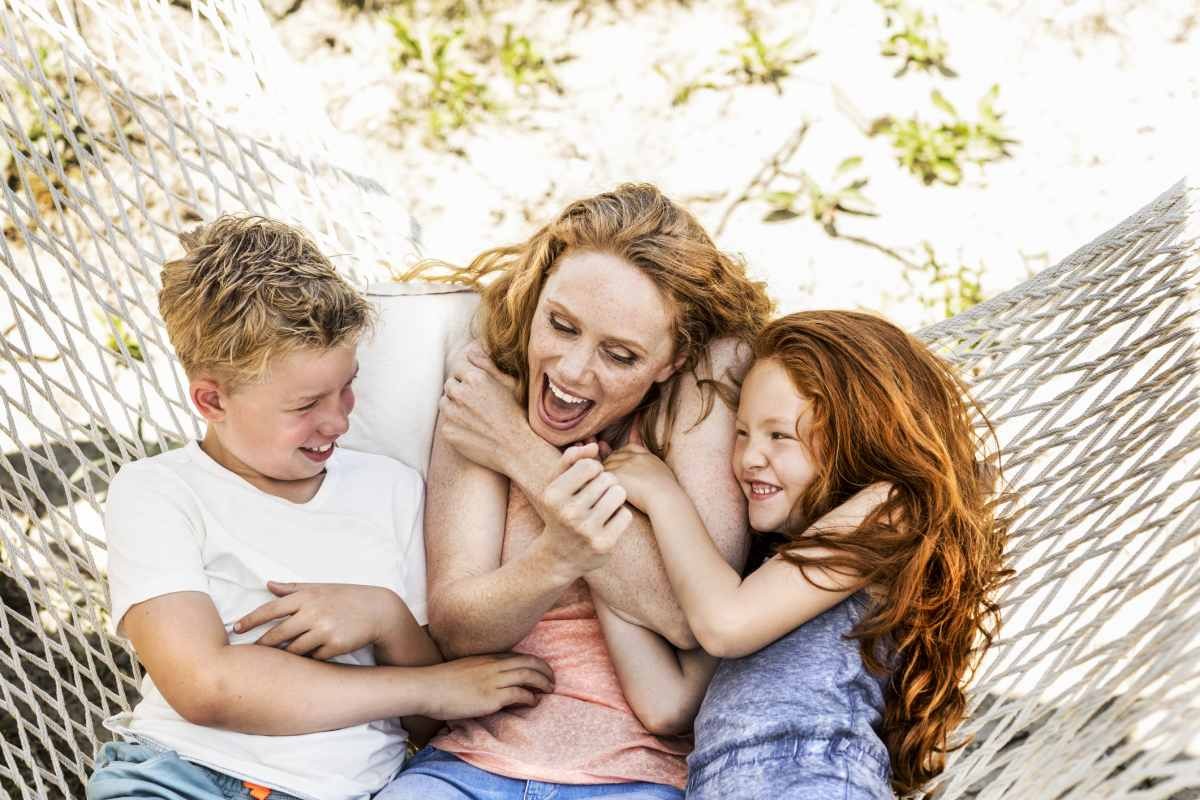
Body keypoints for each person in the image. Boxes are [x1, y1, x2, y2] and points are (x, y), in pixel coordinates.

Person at [89, 216, 553, 800]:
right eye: (306, 404)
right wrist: (427, 687)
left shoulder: (391, 489)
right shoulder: (156, 491)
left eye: (348, 386)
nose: (338, 420)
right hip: (180, 776)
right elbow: (204, 684)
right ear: (212, 399)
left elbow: (428, 725)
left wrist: (385, 617)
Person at [378, 183, 774, 798]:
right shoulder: (488, 389)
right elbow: (459, 629)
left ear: (671, 363)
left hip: (632, 777)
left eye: (619, 356)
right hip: (466, 767)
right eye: (561, 325)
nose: (569, 371)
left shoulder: (696, 399)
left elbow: (688, 617)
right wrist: (555, 559)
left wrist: (520, 452)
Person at [600, 310, 1011, 799]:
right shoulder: (765, 580)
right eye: (742, 432)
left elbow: (724, 623)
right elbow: (666, 703)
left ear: (860, 434)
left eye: (780, 435)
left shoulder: (894, 507)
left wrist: (663, 496)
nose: (751, 457)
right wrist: (598, 552)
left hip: (814, 779)